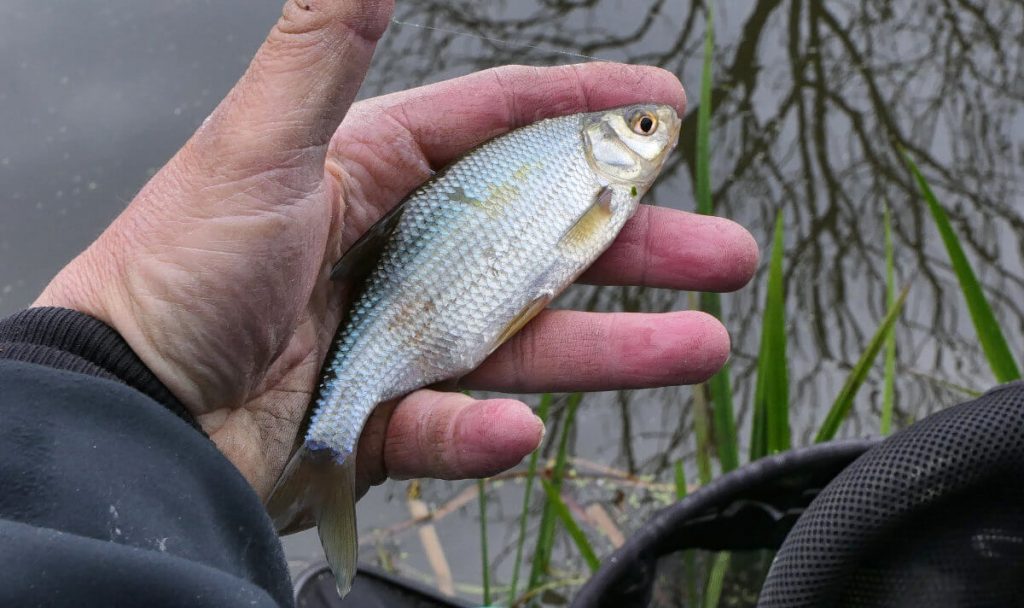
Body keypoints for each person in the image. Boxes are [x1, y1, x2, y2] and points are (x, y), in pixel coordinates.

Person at [0, 1, 758, 606]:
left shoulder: (583, 173)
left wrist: (114, 373)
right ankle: (316, 458)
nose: (657, 134)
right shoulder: (588, 178)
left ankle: (304, 467)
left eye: (647, 126)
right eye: (644, 127)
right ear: (609, 146)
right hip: (383, 334)